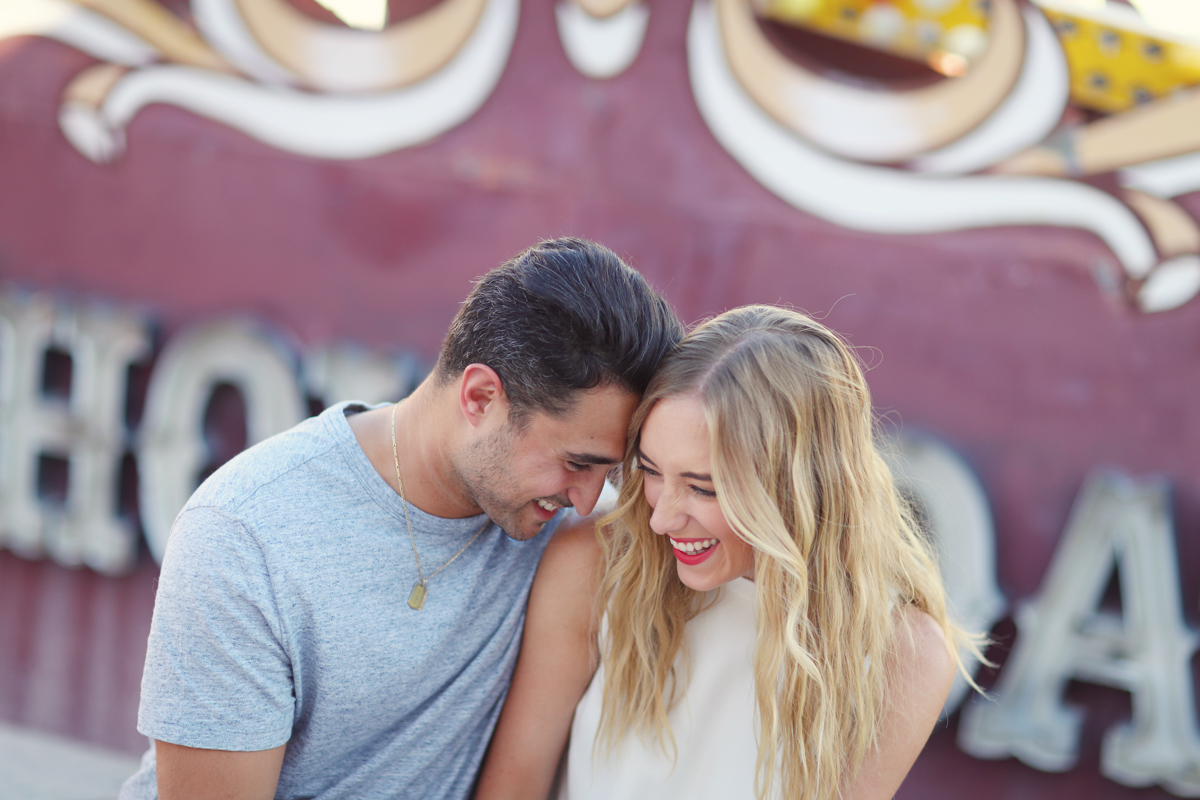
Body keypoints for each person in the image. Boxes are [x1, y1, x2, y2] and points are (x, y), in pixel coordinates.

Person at [119, 238, 684, 800]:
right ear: (482, 397)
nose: (586, 502)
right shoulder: (245, 535)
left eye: (606, 474)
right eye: (575, 464)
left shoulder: (564, 533)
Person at [475, 305, 976, 800]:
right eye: (650, 471)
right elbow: (514, 784)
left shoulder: (904, 654)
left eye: (704, 488)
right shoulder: (597, 561)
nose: (661, 518)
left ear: (798, 486)